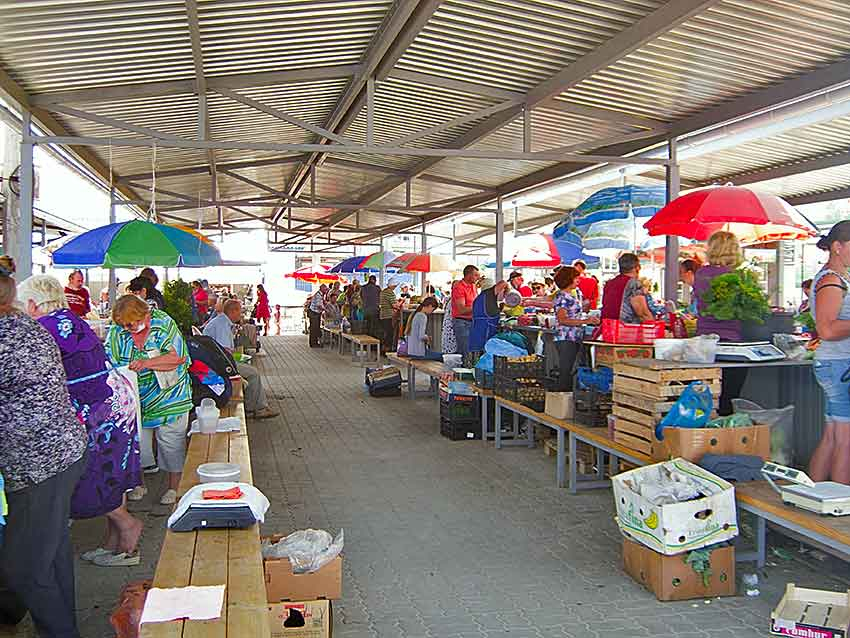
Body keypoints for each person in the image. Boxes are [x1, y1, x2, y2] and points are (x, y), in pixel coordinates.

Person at [17, 275, 144, 567]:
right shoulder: (67, 319)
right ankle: (113, 543)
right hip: (112, 402)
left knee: (97, 474)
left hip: (98, 409)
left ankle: (127, 529)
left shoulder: (45, 328)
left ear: (34, 304)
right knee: (113, 472)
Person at [0, 256, 87, 637]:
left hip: (40, 461)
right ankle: (63, 626)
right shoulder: (22, 326)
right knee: (49, 552)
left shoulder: (7, 337)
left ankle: (61, 631)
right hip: (60, 453)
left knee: (24, 566)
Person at [106, 295, 193, 505]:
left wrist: (147, 363)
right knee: (138, 442)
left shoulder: (163, 323)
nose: (130, 327)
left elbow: (178, 357)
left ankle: (175, 487)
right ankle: (138, 484)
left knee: (171, 442)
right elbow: (109, 358)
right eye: (125, 325)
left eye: (133, 323)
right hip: (136, 397)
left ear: (145, 314)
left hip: (170, 395)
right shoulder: (117, 331)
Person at [808, 221, 850, 483]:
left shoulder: (836, 278)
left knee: (834, 436)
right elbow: (827, 329)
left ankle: (814, 500)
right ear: (837, 247)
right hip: (839, 365)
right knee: (845, 440)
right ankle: (842, 510)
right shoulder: (832, 280)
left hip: (834, 364)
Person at [693, 231, 747, 415]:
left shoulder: (701, 274)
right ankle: (723, 437)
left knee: (707, 398)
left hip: (703, 343)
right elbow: (745, 311)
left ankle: (705, 438)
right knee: (729, 398)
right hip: (732, 343)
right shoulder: (738, 278)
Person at [204, 299, 280, 419]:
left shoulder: (221, 321)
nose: (241, 314)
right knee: (253, 373)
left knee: (250, 370)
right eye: (240, 311)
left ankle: (254, 406)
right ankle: (257, 408)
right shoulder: (222, 325)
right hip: (218, 365)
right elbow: (225, 351)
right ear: (233, 311)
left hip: (215, 362)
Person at [553, 266, 600, 391]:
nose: (578, 280)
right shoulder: (562, 297)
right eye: (575, 277)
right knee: (565, 372)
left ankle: (567, 398)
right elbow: (562, 319)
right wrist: (585, 321)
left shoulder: (573, 294)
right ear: (568, 279)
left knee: (570, 371)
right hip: (565, 338)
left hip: (575, 337)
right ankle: (561, 400)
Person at [470, 278, 508, 352]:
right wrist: (507, 289)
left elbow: (489, 311)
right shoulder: (489, 293)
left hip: (476, 335)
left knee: (476, 359)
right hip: (485, 334)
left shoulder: (480, 298)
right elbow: (503, 283)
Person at [601, 253, 640, 320]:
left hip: (607, 326)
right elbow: (642, 313)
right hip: (624, 327)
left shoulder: (609, 283)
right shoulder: (633, 284)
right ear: (637, 267)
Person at [451, 265, 480, 355]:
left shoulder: (473, 286)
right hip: (461, 322)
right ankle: (462, 368)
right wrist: (478, 307)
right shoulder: (459, 287)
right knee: (465, 350)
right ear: (468, 275)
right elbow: (461, 310)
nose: (478, 277)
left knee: (472, 349)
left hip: (472, 321)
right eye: (475, 275)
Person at [379, 277, 400, 353]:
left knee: (385, 333)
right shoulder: (390, 292)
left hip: (382, 314)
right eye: (395, 286)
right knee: (389, 334)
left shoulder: (383, 291)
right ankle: (387, 351)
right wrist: (400, 303)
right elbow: (395, 305)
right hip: (388, 315)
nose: (395, 287)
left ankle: (383, 349)